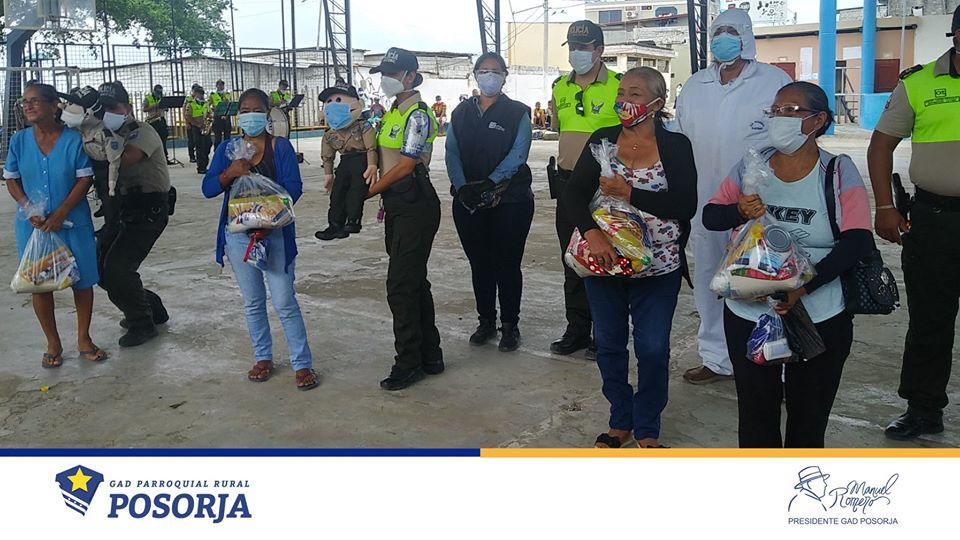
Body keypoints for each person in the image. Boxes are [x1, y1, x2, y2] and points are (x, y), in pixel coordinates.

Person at [703, 82, 873, 448]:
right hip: (748, 313)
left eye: (791, 111)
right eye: (775, 111)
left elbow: (858, 240)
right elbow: (711, 216)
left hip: (819, 313)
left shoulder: (837, 171)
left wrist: (803, 287)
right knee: (756, 415)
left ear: (818, 120)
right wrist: (738, 210)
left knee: (808, 419)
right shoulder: (751, 166)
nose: (779, 118)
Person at [562, 67, 697, 449]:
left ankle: (648, 425)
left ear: (657, 103)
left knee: (653, 347)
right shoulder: (603, 140)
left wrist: (630, 194)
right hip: (605, 265)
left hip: (659, 268)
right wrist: (592, 234)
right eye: (621, 93)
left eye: (635, 94)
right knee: (609, 344)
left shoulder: (676, 146)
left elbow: (685, 205)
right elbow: (573, 195)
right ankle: (620, 418)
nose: (624, 101)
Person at [675, 7, 792, 385]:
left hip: (759, 202)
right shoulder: (695, 86)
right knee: (710, 278)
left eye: (731, 31)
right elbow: (679, 140)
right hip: (705, 203)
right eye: (717, 32)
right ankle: (716, 357)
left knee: (763, 279)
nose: (723, 39)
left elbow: (790, 138)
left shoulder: (774, 81)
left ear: (747, 36)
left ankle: (770, 359)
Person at [869, 7, 960, 441]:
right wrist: (885, 206)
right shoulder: (918, 83)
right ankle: (923, 409)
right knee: (930, 320)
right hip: (935, 221)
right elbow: (880, 146)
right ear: (955, 35)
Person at [201, 88, 319, 391]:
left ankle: (302, 363)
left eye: (256, 110)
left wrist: (269, 217)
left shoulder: (280, 147)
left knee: (284, 300)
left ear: (267, 114)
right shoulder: (228, 149)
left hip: (275, 234)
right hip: (239, 236)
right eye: (244, 110)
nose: (249, 115)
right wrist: (230, 173)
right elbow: (208, 188)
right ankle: (263, 357)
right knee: (253, 302)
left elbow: (294, 187)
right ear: (237, 115)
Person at [3, 82, 106, 367]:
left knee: (82, 280)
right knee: (39, 282)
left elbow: (84, 178)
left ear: (53, 105)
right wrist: (28, 208)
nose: (28, 106)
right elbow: (11, 179)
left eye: (35, 100)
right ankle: (52, 342)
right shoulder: (19, 141)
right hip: (33, 226)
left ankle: (84, 338)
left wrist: (61, 212)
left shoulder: (74, 139)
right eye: (25, 101)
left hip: (72, 221)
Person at [446, 52, 534, 352]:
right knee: (480, 264)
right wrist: (462, 187)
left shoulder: (517, 113)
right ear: (475, 75)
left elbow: (519, 153)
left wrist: (491, 182)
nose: (489, 76)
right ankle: (486, 320)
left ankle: (510, 325)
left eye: (495, 71)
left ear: (505, 76)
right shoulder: (460, 113)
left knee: (507, 264)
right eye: (483, 71)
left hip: (510, 200)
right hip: (468, 200)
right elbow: (452, 151)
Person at [367, 47, 444, 391]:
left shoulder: (418, 114)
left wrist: (368, 192)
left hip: (416, 204)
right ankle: (430, 354)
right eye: (384, 74)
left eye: (393, 74)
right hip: (397, 204)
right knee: (414, 281)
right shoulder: (392, 114)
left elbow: (406, 165)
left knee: (400, 285)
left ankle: (408, 362)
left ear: (411, 76)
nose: (387, 79)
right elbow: (380, 153)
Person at [549, 20, 622, 359]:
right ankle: (577, 328)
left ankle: (603, 334)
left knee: (607, 260)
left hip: (605, 189)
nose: (577, 53)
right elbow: (560, 130)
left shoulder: (618, 87)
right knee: (572, 259)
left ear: (600, 50)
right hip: (568, 185)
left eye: (584, 47)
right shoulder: (559, 87)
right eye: (573, 47)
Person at [95, 82, 173, 348]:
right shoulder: (104, 134)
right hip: (123, 209)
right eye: (101, 108)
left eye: (112, 107)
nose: (106, 113)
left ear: (127, 108)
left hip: (149, 210)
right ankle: (151, 307)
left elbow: (122, 159)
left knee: (118, 269)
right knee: (98, 268)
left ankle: (142, 322)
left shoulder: (142, 131)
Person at [315, 82, 378, 240]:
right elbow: (327, 156)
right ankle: (335, 225)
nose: (333, 106)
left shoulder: (363, 126)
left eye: (339, 100)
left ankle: (353, 221)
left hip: (362, 160)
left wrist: (372, 165)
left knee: (356, 191)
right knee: (337, 193)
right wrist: (328, 174)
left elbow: (371, 148)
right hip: (345, 161)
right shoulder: (330, 134)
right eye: (329, 102)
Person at [142, 84, 176, 165]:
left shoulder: (162, 98)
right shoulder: (148, 98)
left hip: (161, 119)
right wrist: (154, 106)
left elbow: (166, 108)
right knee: (154, 140)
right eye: (157, 92)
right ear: (154, 91)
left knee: (163, 139)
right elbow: (144, 109)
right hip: (153, 120)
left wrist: (165, 107)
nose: (159, 94)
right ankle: (154, 158)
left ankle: (165, 158)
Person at [183, 85, 212, 174]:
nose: (201, 95)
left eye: (202, 93)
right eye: (199, 93)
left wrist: (209, 117)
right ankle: (201, 167)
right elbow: (188, 116)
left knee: (208, 144)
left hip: (205, 127)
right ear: (195, 94)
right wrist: (198, 124)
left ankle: (205, 163)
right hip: (196, 128)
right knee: (200, 147)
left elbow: (208, 113)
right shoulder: (191, 104)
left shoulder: (206, 103)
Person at [209, 79, 234, 149]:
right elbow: (208, 105)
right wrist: (212, 110)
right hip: (217, 117)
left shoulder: (228, 94)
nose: (221, 86)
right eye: (219, 85)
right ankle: (217, 151)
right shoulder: (213, 95)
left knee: (227, 137)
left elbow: (230, 104)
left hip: (226, 117)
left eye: (222, 85)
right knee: (218, 138)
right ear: (216, 86)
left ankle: (227, 151)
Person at [185, 83, 200, 163]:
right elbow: (184, 111)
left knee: (198, 141)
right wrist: (187, 123)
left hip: (198, 123)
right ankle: (192, 156)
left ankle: (199, 155)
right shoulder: (188, 99)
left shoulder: (200, 99)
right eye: (195, 91)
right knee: (191, 140)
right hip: (190, 122)